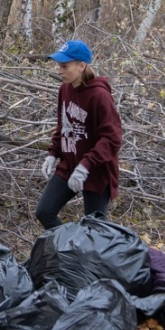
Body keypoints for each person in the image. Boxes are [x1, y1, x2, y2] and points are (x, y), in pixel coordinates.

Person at [35, 40, 122, 230]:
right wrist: (52, 153)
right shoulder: (64, 89)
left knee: (95, 230)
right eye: (58, 65)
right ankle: (69, 252)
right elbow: (63, 125)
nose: (59, 71)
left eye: (65, 66)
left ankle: (95, 257)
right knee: (44, 212)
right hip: (69, 165)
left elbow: (112, 138)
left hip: (96, 170)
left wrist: (85, 166)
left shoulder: (99, 95)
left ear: (81, 66)